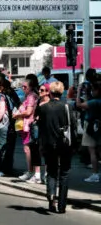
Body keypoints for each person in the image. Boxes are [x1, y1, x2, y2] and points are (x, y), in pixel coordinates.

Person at [38, 81, 74, 213]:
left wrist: (41, 144)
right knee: (64, 173)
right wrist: (74, 145)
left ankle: (51, 197)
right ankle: (62, 204)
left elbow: (40, 127)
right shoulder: (67, 107)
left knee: (51, 171)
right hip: (64, 143)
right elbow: (73, 126)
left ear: (50, 92)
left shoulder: (43, 108)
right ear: (62, 91)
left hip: (48, 143)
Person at [12, 75, 41, 183]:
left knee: (28, 149)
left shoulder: (31, 96)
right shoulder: (31, 95)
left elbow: (28, 112)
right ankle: (31, 172)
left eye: (25, 87)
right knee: (29, 149)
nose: (22, 88)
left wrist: (17, 115)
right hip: (28, 125)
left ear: (31, 87)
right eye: (22, 86)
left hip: (28, 125)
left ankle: (31, 172)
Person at [76, 77, 101, 183]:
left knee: (92, 152)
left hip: (91, 126)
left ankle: (95, 174)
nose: (92, 91)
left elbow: (79, 105)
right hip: (99, 126)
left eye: (93, 89)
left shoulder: (94, 102)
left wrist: (78, 92)